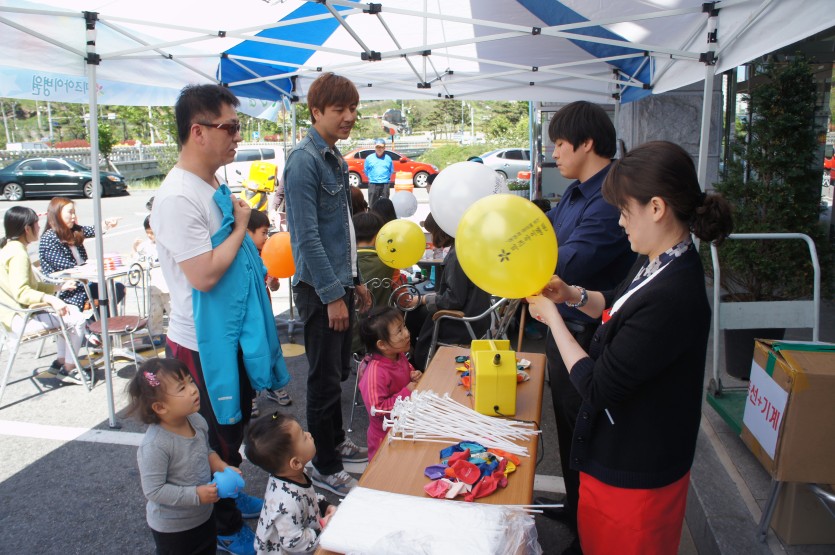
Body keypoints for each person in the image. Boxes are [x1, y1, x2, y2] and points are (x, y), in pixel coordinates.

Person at [527, 141, 733, 555]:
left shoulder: (675, 294)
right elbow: (618, 303)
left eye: (625, 210)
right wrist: (572, 295)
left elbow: (597, 387)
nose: (620, 222)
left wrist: (553, 319)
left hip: (638, 468)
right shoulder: (658, 257)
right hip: (620, 450)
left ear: (656, 208)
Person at [151, 84, 289, 555]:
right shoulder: (177, 197)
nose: (237, 136)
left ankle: (229, 500)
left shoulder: (209, 183)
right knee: (210, 437)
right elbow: (205, 274)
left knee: (232, 427)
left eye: (237, 126)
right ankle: (224, 528)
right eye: (230, 127)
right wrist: (241, 227)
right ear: (198, 131)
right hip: (201, 343)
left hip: (229, 335)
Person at [534, 101, 635, 555]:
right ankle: (575, 509)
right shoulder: (575, 193)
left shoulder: (611, 198)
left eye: (560, 143)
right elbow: (545, 243)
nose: (554, 152)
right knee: (569, 424)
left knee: (589, 431)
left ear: (587, 143)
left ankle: (590, 533)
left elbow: (567, 262)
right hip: (563, 325)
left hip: (590, 332)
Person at [284, 72, 371, 498]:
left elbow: (342, 230)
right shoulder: (304, 160)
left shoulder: (334, 155)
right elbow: (307, 238)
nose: (349, 116)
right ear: (316, 111)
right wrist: (334, 294)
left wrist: (355, 280)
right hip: (320, 290)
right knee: (322, 379)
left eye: (353, 108)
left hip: (339, 283)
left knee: (337, 373)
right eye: (340, 109)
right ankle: (324, 465)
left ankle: (334, 442)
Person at [129, 357, 233, 555]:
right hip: (173, 529)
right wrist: (196, 495)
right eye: (182, 388)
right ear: (160, 407)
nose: (193, 390)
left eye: (190, 381)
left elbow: (206, 451)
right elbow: (154, 490)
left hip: (203, 515)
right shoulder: (155, 445)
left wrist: (221, 466)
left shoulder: (196, 420)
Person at [0, 206, 87, 384]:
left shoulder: (8, 248)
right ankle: (69, 369)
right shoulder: (18, 254)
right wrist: (51, 299)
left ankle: (61, 361)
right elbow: (22, 292)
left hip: (10, 318)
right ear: (27, 228)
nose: (39, 227)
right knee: (77, 319)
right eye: (36, 224)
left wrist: (58, 287)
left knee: (67, 314)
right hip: (21, 319)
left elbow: (30, 286)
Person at [245, 413, 337, 555]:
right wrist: (323, 528)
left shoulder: (292, 473)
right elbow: (294, 542)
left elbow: (308, 497)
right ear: (295, 462)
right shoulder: (288, 503)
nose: (309, 434)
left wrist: (324, 506)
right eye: (304, 437)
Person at [411, 213, 491, 371]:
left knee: (412, 314)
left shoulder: (457, 256)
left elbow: (454, 299)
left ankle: (418, 364)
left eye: (432, 232)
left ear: (441, 231)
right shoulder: (473, 248)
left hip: (463, 323)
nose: (432, 237)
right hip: (480, 318)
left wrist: (423, 299)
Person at [38, 196, 123, 314]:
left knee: (116, 288)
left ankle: (99, 322)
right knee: (108, 292)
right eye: (70, 212)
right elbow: (66, 267)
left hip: (83, 283)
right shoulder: (49, 238)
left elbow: (92, 230)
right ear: (57, 214)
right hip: (66, 288)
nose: (74, 216)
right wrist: (91, 266)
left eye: (74, 212)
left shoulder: (73, 230)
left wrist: (106, 223)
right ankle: (98, 323)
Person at [357, 306, 422, 460]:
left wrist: (413, 375)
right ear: (382, 345)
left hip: (404, 425)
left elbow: (406, 370)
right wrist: (407, 392)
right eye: (399, 331)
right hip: (385, 437)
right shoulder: (375, 373)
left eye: (404, 326)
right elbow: (377, 408)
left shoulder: (399, 355)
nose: (407, 333)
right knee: (385, 469)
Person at [246, 209, 292, 410]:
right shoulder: (240, 258)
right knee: (251, 354)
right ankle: (250, 394)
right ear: (247, 232)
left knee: (272, 349)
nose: (266, 237)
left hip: (266, 315)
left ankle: (274, 386)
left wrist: (273, 283)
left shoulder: (266, 254)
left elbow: (274, 286)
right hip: (249, 319)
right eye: (263, 232)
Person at [132, 215, 170, 343]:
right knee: (154, 312)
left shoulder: (166, 244)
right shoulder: (145, 246)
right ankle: (155, 335)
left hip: (167, 285)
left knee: (172, 310)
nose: (150, 236)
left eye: (152, 233)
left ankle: (175, 335)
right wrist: (135, 248)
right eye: (147, 233)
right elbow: (137, 259)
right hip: (152, 285)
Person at [364, 138, 394, 208]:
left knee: (385, 205)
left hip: (385, 184)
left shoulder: (388, 158)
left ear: (384, 148)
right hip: (373, 184)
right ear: (375, 147)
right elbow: (366, 170)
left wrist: (384, 178)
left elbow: (391, 171)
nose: (379, 149)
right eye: (377, 147)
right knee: (372, 205)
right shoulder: (369, 158)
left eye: (381, 147)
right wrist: (373, 177)